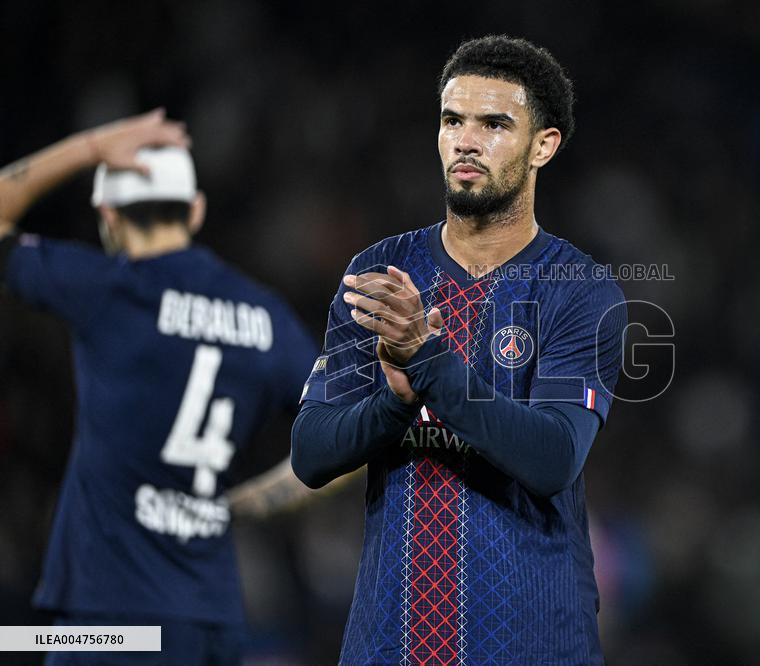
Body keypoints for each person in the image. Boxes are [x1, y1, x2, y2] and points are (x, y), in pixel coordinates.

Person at [292, 36, 627, 665]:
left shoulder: (579, 289)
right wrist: (394, 405)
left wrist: (427, 362)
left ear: (543, 146)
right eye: (453, 121)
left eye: (494, 124)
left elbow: (553, 457)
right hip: (391, 643)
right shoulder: (380, 273)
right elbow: (310, 453)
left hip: (533, 644)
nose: (466, 141)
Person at [0, 110, 330, 664]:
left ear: (107, 216)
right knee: (17, 639)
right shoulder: (263, 315)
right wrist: (264, 499)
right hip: (213, 625)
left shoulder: (107, 289)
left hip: (113, 620)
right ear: (195, 210)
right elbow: (358, 430)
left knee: (14, 641)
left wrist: (92, 146)